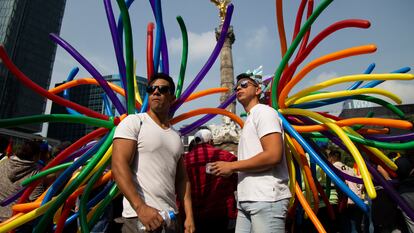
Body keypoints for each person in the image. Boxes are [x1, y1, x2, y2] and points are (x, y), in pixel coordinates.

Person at [112, 73, 195, 233]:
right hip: (140, 218)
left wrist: (189, 216)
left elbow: (182, 179)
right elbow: (118, 165)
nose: (156, 92)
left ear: (172, 97)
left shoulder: (176, 136)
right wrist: (141, 208)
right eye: (152, 89)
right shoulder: (134, 122)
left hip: (171, 218)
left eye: (163, 89)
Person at [210, 73, 291, 232]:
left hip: (266, 199)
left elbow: (273, 155)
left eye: (245, 84)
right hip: (247, 200)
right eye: (236, 86)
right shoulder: (250, 119)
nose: (239, 87)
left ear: (258, 89)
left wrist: (232, 166)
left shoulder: (264, 112)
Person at [184, 129, 237, 233]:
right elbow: (236, 181)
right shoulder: (226, 156)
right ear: (211, 142)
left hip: (194, 214)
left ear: (195, 142)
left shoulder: (185, 159)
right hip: (222, 213)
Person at [0, 140, 46, 222]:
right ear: (36, 156)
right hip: (13, 221)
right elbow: (36, 200)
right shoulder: (35, 173)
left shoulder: (3, 164)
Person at [327, 150, 364, 233]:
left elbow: (341, 183)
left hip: (346, 200)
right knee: (355, 226)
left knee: (346, 226)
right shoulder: (350, 169)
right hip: (357, 199)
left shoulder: (334, 167)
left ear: (331, 158)